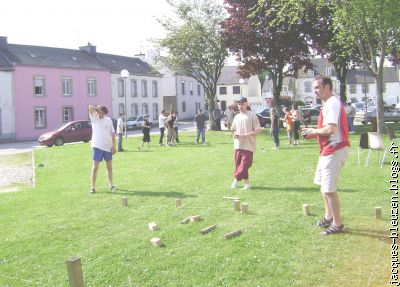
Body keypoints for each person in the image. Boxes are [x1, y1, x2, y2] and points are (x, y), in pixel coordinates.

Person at [302, 76, 350, 236]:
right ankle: (329, 216)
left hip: (335, 149)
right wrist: (313, 134)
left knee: (329, 189)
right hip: (327, 150)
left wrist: (314, 131)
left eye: (317, 87)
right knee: (323, 185)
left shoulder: (333, 103)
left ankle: (337, 224)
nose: (315, 90)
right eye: (314, 88)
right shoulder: (327, 104)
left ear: (328, 87)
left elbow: (331, 129)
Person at [231, 97, 262, 190]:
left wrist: (245, 135)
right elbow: (233, 130)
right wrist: (234, 135)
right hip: (238, 145)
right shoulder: (237, 116)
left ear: (246, 104)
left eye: (242, 104)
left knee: (245, 164)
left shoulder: (252, 115)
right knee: (239, 165)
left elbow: (258, 130)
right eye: (239, 104)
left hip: (248, 145)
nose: (240, 106)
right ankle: (247, 184)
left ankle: (236, 180)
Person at [88, 105, 116, 194]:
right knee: (95, 167)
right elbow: (90, 107)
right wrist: (97, 109)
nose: (101, 114)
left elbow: (112, 134)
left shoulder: (108, 120)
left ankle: (111, 185)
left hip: (108, 147)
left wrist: (114, 146)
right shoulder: (94, 118)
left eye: (103, 113)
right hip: (97, 146)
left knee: (109, 167)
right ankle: (92, 187)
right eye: (100, 112)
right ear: (97, 111)